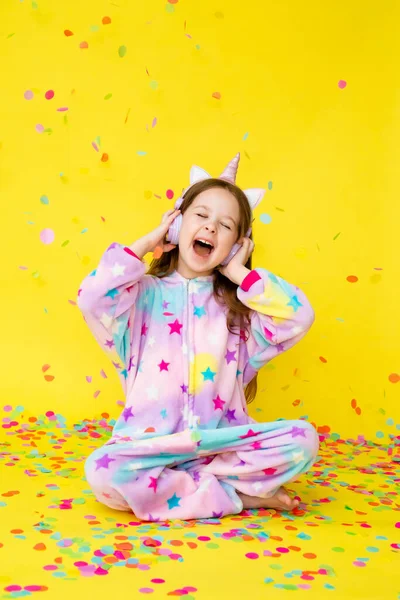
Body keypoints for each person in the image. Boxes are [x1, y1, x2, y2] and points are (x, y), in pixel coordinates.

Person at [77, 152, 319, 522]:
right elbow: (92, 297)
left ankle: (190, 488)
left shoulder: (241, 312)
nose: (210, 228)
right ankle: (236, 495)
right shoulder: (140, 296)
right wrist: (147, 243)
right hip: (150, 445)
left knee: (304, 440)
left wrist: (240, 274)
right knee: (102, 472)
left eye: (226, 226)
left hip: (219, 445)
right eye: (201, 216)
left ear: (238, 244)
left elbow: (299, 315)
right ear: (177, 225)